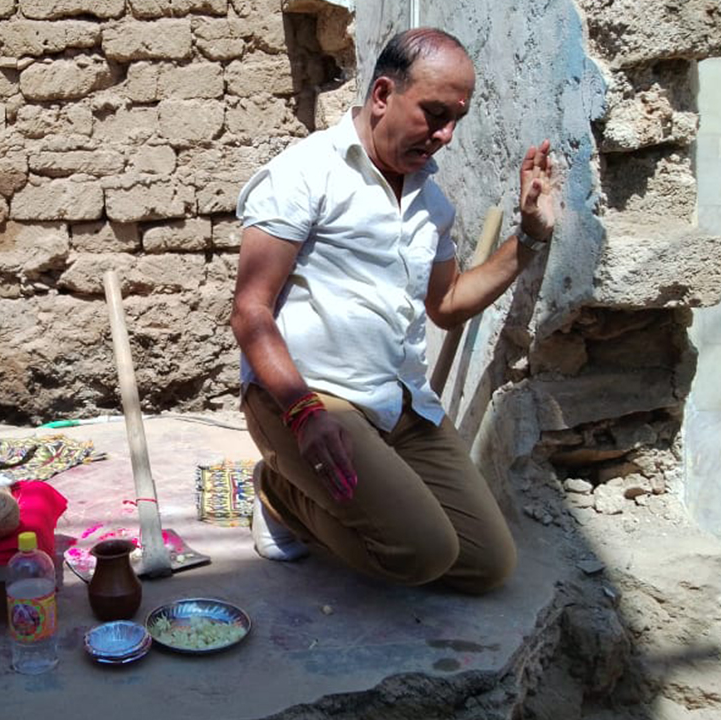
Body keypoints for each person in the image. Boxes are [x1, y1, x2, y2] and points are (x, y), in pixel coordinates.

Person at [231, 28, 558, 594]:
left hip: (398, 399)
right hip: (310, 398)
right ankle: (279, 493)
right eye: (435, 114)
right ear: (383, 94)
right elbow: (250, 311)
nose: (445, 135)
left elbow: (448, 305)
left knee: (487, 563)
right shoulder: (304, 174)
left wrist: (529, 236)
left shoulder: (431, 201)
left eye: (456, 120)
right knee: (419, 553)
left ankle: (333, 488)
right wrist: (304, 413)